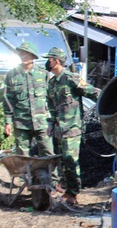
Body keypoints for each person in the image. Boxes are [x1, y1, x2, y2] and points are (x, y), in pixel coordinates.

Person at [44, 47, 101, 205]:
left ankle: (73, 194)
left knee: (71, 161)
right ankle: (67, 189)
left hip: (72, 128)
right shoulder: (52, 82)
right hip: (59, 130)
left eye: (49, 59)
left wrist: (108, 102)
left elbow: (92, 92)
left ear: (56, 61)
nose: (47, 62)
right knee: (63, 161)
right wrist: (51, 123)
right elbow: (51, 106)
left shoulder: (71, 78)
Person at [3, 42, 54, 159]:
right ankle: (25, 177)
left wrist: (53, 120)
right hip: (21, 123)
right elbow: (8, 100)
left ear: (33, 56)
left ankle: (51, 178)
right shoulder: (12, 75)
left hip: (42, 123)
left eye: (27, 54)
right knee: (22, 156)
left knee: (48, 154)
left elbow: (51, 98)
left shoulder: (43, 73)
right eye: (21, 54)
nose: (24, 56)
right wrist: (7, 122)